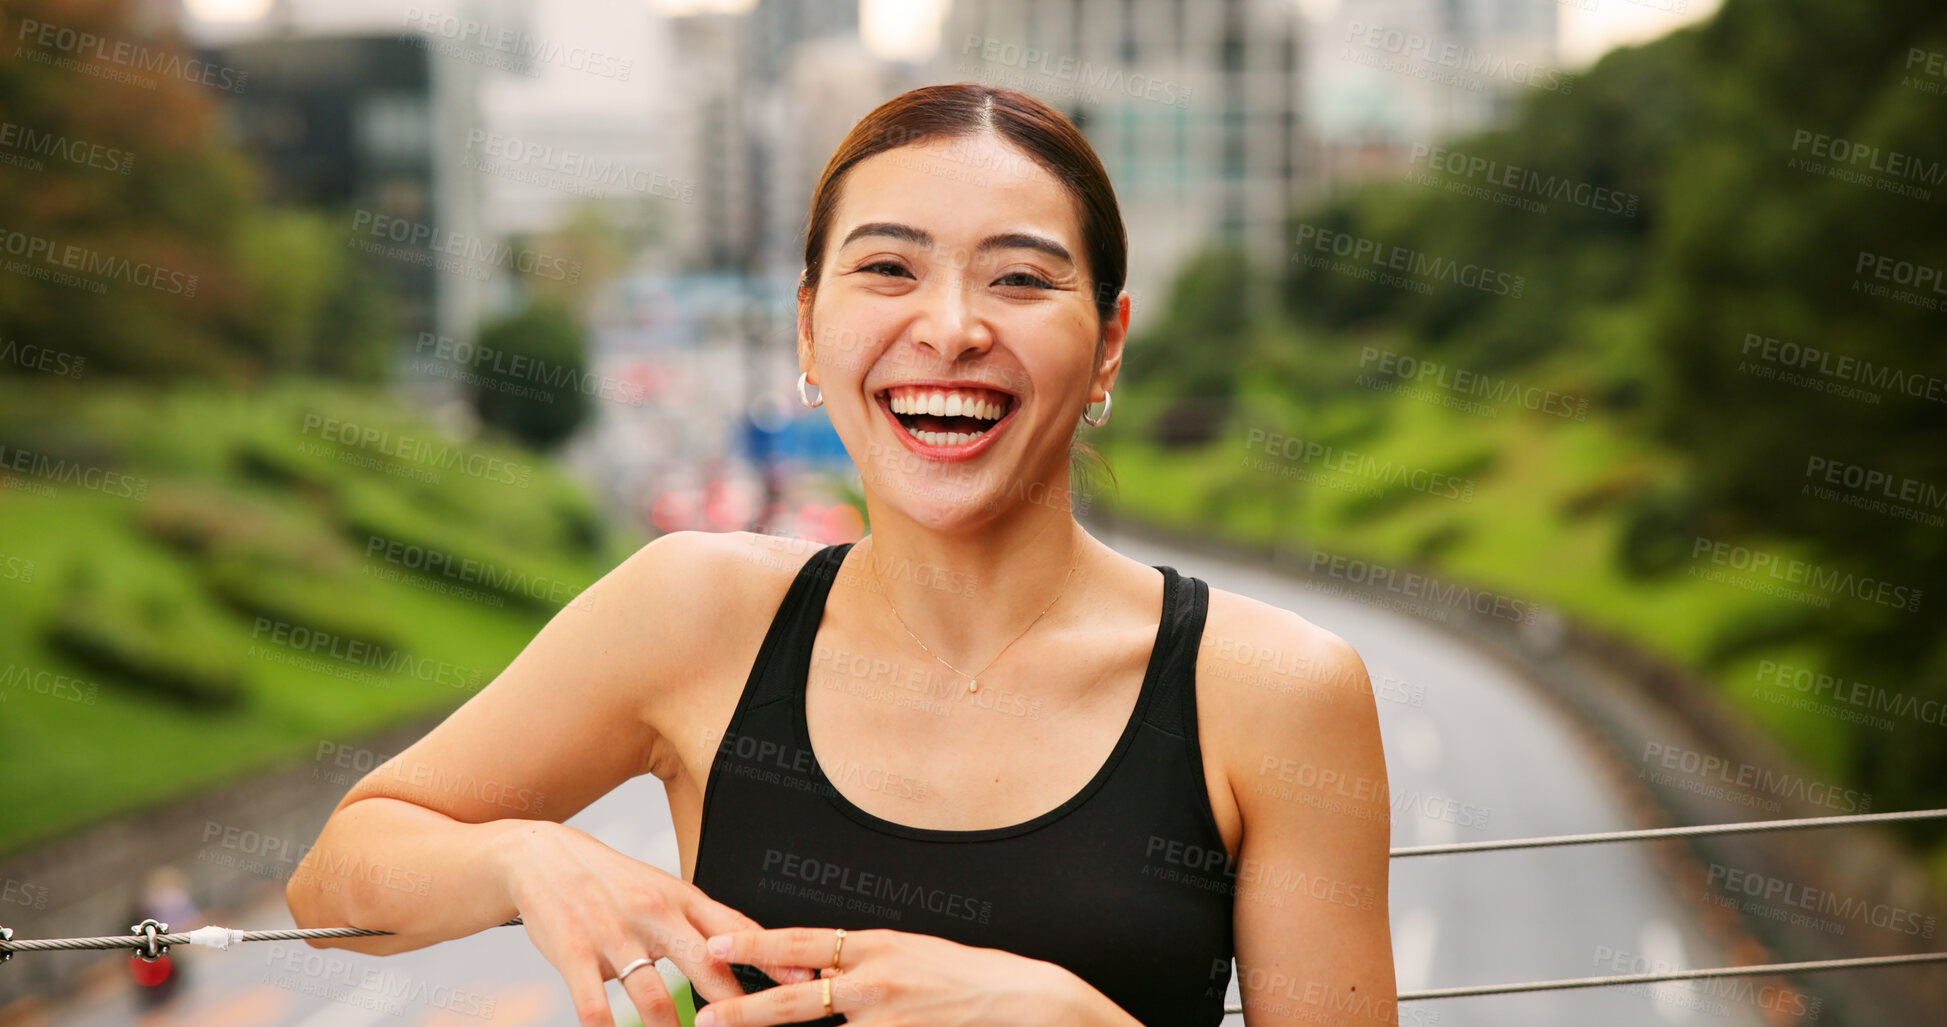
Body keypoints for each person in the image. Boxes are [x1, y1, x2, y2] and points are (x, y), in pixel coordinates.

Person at [287, 83, 1395, 1027]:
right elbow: (337, 876)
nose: (952, 327)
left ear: (1107, 345)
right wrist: (524, 858)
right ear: (809, 331)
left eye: (1020, 277)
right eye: (889, 270)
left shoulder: (1272, 690)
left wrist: (1072, 1017)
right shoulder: (696, 611)